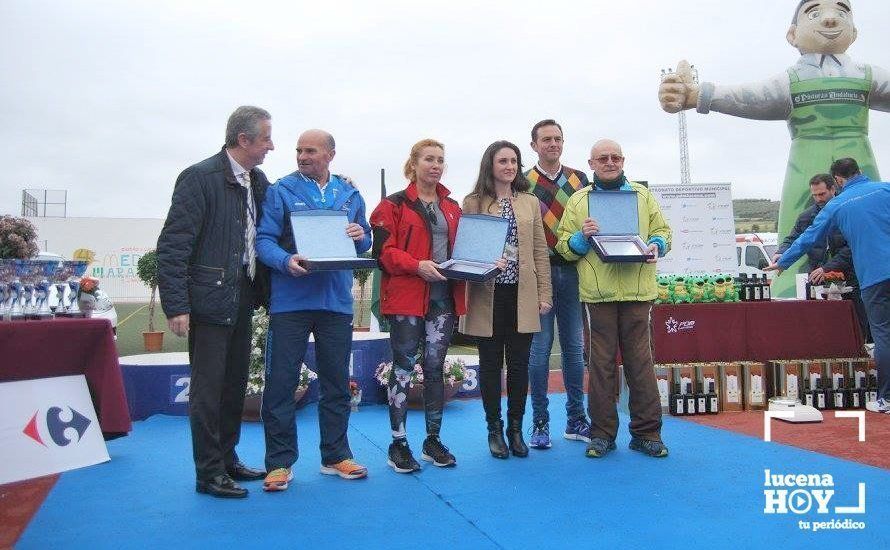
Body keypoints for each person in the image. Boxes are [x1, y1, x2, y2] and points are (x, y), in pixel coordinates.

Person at [658, 0, 889, 298]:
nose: (830, 19)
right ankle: (789, 290)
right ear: (792, 35)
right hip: (805, 158)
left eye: (842, 12)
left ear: (854, 32)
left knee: (875, 224)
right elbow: (752, 96)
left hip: (860, 158)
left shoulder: (866, 75)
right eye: (815, 13)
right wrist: (697, 96)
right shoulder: (792, 80)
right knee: (801, 220)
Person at [157, 106, 273, 498]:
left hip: (243, 295)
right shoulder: (198, 178)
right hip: (207, 300)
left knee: (234, 384)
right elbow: (173, 247)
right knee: (208, 390)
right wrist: (176, 305)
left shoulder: (258, 181)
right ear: (244, 140)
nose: (270, 146)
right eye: (265, 139)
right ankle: (208, 472)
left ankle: (226, 458)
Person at [255, 129, 371, 491]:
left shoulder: (349, 193)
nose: (303, 156)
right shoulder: (281, 190)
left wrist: (360, 235)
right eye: (299, 150)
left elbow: (365, 238)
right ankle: (279, 463)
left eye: (311, 151)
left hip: (335, 301)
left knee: (337, 381)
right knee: (281, 383)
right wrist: (286, 260)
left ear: (330, 155)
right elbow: (263, 240)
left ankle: (335, 455)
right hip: (290, 302)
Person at [556, 139, 672, 458]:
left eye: (615, 157)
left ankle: (648, 434)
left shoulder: (642, 195)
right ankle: (602, 434)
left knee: (641, 364)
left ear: (623, 161)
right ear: (591, 164)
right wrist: (582, 238)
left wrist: (657, 246)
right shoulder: (579, 200)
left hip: (638, 292)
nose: (610, 162)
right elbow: (564, 246)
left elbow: (663, 232)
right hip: (599, 295)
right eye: (602, 158)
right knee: (601, 365)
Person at [369, 139, 467, 473]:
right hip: (407, 298)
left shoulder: (452, 207)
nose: (436, 165)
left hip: (443, 299)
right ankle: (398, 444)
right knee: (403, 367)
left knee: (435, 367)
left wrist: (486, 261)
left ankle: (432, 440)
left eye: (441, 159)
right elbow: (383, 254)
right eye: (429, 159)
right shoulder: (391, 206)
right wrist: (416, 265)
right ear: (414, 163)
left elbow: (464, 248)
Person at [768, 157, 890, 414]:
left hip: (874, 277)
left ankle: (886, 398)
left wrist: (783, 263)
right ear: (860, 172)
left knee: (883, 335)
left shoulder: (838, 204)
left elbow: (809, 237)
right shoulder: (885, 188)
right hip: (873, 275)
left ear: (838, 181)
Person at [460, 140, 552, 459]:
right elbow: (465, 252)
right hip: (488, 295)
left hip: (522, 295)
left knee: (518, 365)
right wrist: (485, 264)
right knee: (490, 365)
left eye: (514, 161)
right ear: (491, 165)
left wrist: (545, 294)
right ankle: (494, 429)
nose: (510, 166)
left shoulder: (528, 202)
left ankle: (515, 429)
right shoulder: (472, 202)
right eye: (503, 161)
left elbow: (540, 251)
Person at [524, 119, 592, 449]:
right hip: (539, 275)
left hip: (574, 271)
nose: (553, 144)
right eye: (546, 139)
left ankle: (577, 419)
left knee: (574, 350)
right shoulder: (523, 182)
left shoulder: (580, 179)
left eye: (558, 139)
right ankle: (539, 422)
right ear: (534, 145)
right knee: (538, 352)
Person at [773, 172, 870, 341]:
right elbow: (793, 238)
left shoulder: (847, 211)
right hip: (818, 281)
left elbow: (852, 247)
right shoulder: (806, 216)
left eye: (822, 194)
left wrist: (828, 268)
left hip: (851, 278)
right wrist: (781, 253)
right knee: (823, 326)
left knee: (858, 324)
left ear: (833, 189)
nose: (818, 199)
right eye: (815, 195)